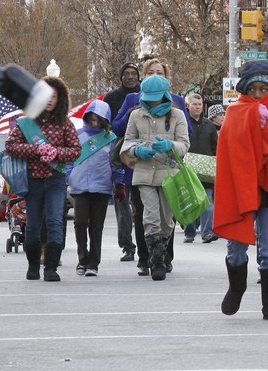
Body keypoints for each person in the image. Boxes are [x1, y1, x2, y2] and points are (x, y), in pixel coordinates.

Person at [214, 60, 268, 320]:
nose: (257, 94)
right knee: (237, 246)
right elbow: (231, 153)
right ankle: (237, 286)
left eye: (263, 89)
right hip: (242, 189)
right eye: (252, 89)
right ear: (244, 88)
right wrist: (252, 123)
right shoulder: (235, 112)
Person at [112, 58, 191, 277]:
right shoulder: (136, 114)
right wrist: (137, 150)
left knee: (167, 220)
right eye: (149, 100)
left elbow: (185, 144)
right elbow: (127, 142)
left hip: (169, 175)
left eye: (156, 100)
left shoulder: (177, 115)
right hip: (144, 174)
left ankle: (164, 253)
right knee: (150, 217)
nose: (153, 104)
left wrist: (170, 145)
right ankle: (155, 261)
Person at [6, 76, 82, 282]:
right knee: (32, 225)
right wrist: (36, 149)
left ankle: (50, 267)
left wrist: (56, 153)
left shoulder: (65, 124)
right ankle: (32, 266)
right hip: (33, 181)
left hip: (56, 180)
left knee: (55, 221)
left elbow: (76, 150)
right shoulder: (25, 123)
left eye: (54, 96)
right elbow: (10, 146)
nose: (49, 100)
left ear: (60, 99)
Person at [68, 100, 120, 277]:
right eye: (92, 117)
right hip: (79, 186)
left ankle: (93, 263)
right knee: (80, 223)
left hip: (102, 187)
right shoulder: (77, 135)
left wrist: (119, 183)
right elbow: (69, 160)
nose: (94, 121)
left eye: (99, 118)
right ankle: (82, 259)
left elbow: (116, 164)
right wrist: (67, 178)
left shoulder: (110, 139)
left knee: (97, 226)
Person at [103, 62, 140, 263]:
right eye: (126, 74)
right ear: (120, 78)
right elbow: (108, 126)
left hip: (143, 157)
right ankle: (127, 246)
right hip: (121, 157)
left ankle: (147, 243)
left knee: (142, 204)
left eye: (133, 73)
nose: (130, 77)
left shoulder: (148, 97)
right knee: (122, 202)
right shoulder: (112, 98)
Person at [184, 93, 218, 244]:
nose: (197, 107)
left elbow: (215, 146)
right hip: (188, 169)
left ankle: (207, 232)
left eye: (199, 104)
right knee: (190, 202)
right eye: (194, 104)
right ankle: (189, 232)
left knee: (207, 203)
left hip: (206, 170)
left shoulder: (209, 125)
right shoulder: (183, 123)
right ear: (188, 106)